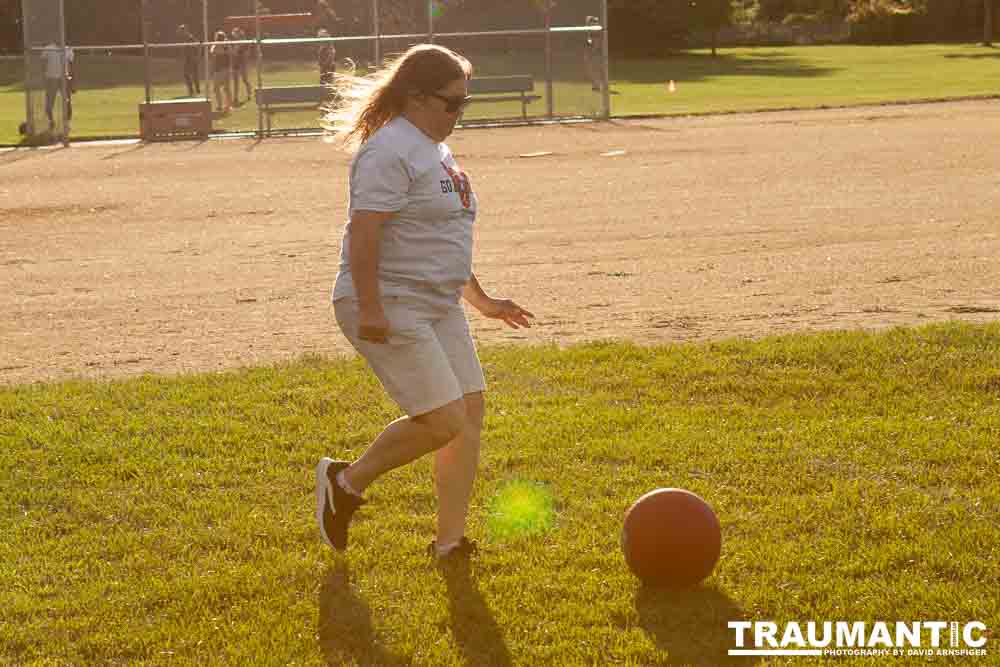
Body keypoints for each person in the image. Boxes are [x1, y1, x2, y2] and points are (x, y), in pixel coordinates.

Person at [316, 44, 535, 562]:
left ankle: (449, 543)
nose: (459, 114)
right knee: (443, 419)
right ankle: (344, 483)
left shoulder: (434, 147)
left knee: (470, 412)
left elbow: (442, 237)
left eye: (465, 103)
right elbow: (364, 233)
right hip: (390, 300)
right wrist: (370, 308)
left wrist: (481, 300)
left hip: (436, 301)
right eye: (451, 103)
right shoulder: (388, 149)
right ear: (415, 98)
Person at [41, 41, 74, 134]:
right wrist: (44, 77)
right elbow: (43, 63)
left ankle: (67, 124)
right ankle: (51, 122)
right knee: (49, 102)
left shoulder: (68, 49)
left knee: (67, 101)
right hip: (51, 79)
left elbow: (71, 66)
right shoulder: (48, 48)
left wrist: (72, 81)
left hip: (64, 78)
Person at [209, 30, 232, 112]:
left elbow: (212, 52)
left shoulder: (220, 45)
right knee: (226, 88)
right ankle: (227, 106)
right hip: (225, 69)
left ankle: (221, 105)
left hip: (220, 69)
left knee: (217, 88)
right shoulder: (225, 45)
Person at [230, 27, 252, 106]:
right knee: (236, 81)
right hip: (235, 63)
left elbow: (246, 54)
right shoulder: (233, 42)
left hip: (242, 63)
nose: (235, 35)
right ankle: (235, 97)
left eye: (236, 33)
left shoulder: (245, 42)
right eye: (234, 34)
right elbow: (232, 53)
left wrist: (239, 52)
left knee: (245, 80)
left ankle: (249, 93)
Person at [177, 24, 200, 97]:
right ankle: (194, 90)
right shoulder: (184, 38)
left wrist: (197, 56)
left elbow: (198, 45)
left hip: (192, 59)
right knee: (189, 75)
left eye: (181, 30)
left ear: (184, 30)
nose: (180, 32)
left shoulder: (190, 37)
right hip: (188, 58)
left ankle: (195, 90)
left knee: (192, 74)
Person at [317, 28, 337, 105]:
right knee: (324, 83)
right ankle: (324, 100)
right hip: (325, 66)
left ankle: (330, 99)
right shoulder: (323, 46)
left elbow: (331, 54)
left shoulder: (328, 46)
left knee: (328, 82)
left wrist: (326, 64)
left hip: (328, 66)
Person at [584, 15, 603, 92]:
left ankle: (597, 85)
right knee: (590, 70)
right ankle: (595, 85)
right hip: (591, 52)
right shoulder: (590, 31)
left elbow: (596, 43)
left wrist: (593, 52)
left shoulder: (595, 31)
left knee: (594, 69)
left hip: (595, 53)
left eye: (589, 22)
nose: (587, 23)